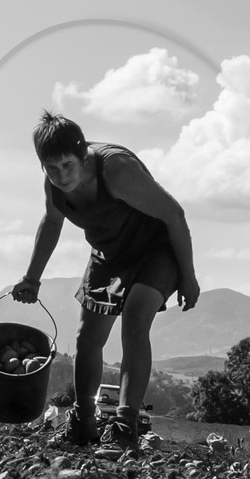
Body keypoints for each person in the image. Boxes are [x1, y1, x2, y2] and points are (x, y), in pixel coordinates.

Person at [13, 111, 199, 447]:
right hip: (109, 254)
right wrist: (32, 278)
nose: (61, 175)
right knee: (87, 337)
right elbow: (53, 223)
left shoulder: (116, 170)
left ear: (83, 155)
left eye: (67, 166)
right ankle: (84, 422)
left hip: (156, 248)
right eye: (51, 169)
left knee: (135, 319)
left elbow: (175, 215)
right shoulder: (53, 183)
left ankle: (125, 427)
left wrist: (188, 276)